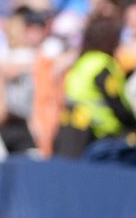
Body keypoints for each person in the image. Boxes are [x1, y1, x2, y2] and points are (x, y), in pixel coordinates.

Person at [53, 14, 136, 162]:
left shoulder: (82, 62)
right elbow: (116, 104)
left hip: (75, 131)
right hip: (100, 136)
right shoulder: (102, 65)